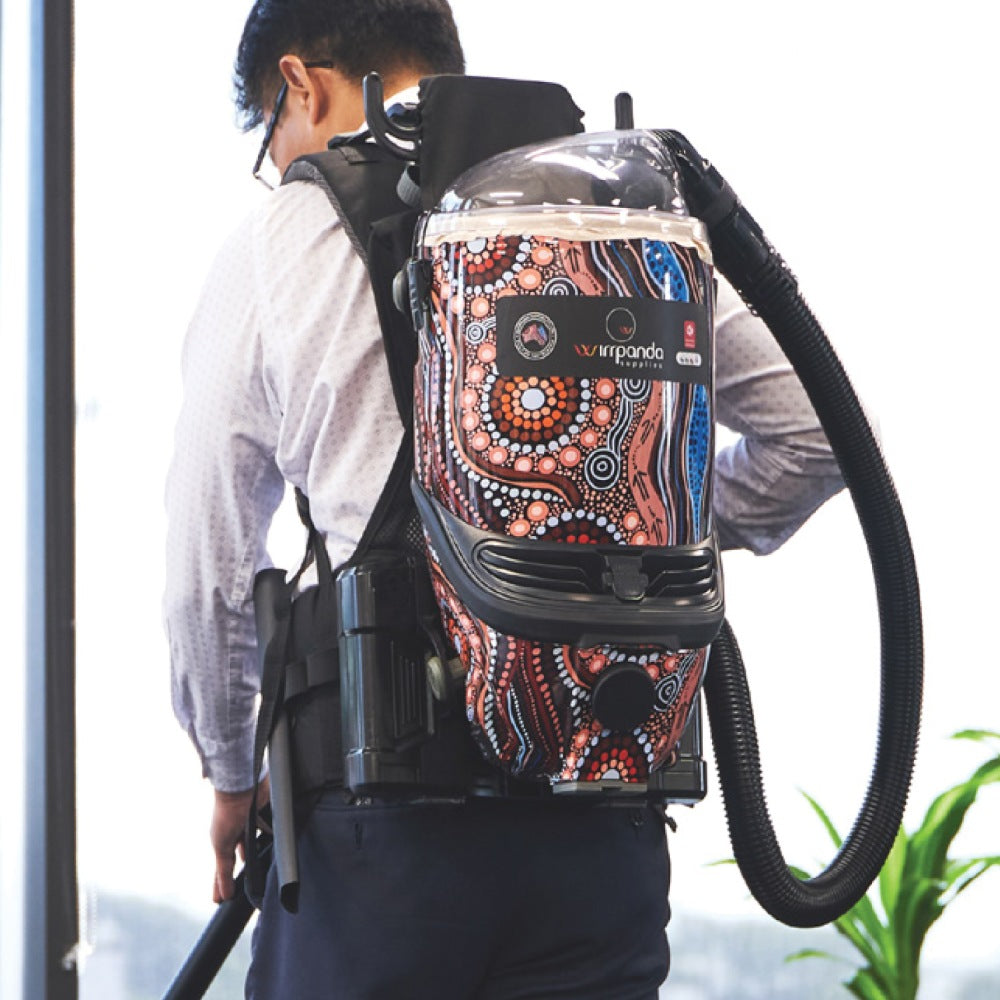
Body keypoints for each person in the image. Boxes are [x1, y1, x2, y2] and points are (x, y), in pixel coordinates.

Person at [164, 1, 846, 996]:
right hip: (603, 824)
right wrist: (624, 546)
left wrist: (229, 770)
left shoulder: (287, 232)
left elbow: (205, 562)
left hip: (384, 828)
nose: (277, 167)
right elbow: (813, 433)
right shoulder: (612, 217)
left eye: (270, 136)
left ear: (303, 86)